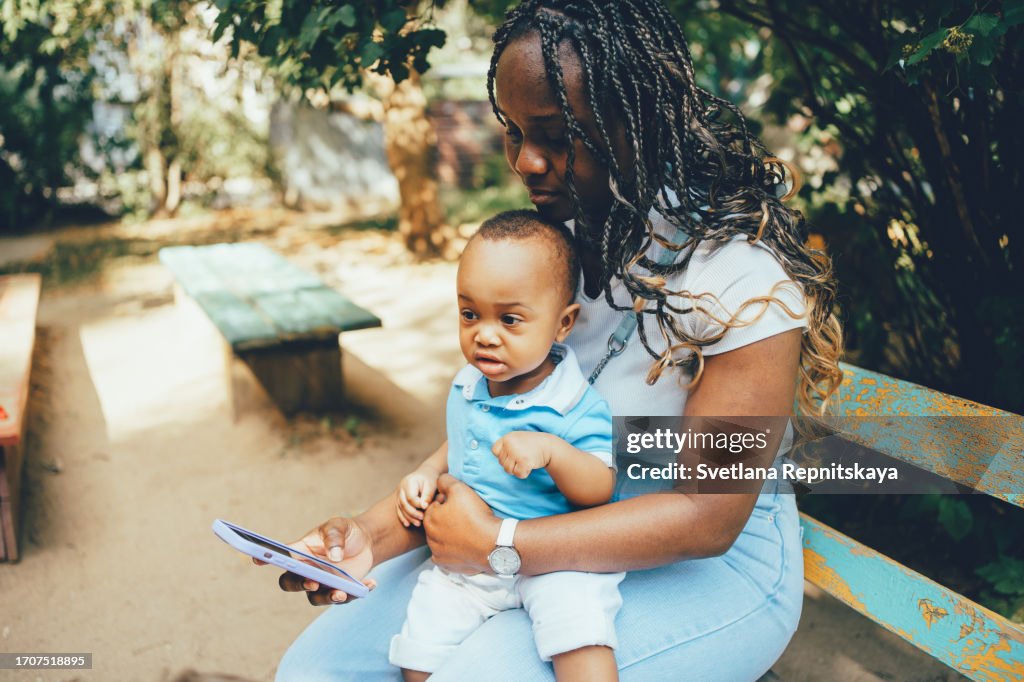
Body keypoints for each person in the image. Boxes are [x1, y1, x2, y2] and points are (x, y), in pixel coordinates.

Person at [272, 1, 843, 680]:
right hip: (544, 530)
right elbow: (497, 423)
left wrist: (502, 545)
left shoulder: (737, 278)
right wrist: (367, 536)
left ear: (640, 122)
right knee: (316, 669)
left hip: (709, 567)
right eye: (513, 130)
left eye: (555, 133)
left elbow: (705, 516)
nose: (525, 160)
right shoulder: (562, 252)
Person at [390, 209, 622, 681]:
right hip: (466, 569)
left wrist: (553, 452)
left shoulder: (574, 404)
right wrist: (427, 473)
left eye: (510, 320)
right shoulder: (469, 385)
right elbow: (458, 442)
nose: (484, 335)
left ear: (563, 324)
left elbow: (601, 487)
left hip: (554, 562)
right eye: (470, 314)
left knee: (580, 633)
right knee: (419, 649)